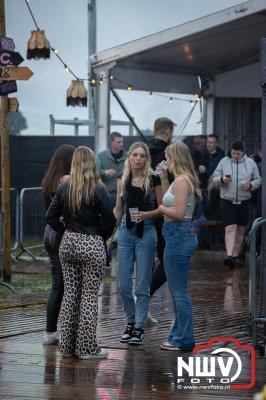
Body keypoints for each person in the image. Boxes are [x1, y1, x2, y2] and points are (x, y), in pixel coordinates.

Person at [46, 146, 116, 359]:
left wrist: (65, 231)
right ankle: (86, 348)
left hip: (68, 244)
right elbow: (110, 221)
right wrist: (100, 236)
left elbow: (50, 217)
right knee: (88, 296)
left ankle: (66, 348)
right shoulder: (99, 188)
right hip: (92, 244)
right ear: (92, 163)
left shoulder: (64, 187)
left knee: (70, 294)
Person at [114, 142, 161, 345]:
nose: (138, 159)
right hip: (126, 230)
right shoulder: (123, 179)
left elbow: (162, 208)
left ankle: (139, 326)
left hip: (147, 230)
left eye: (142, 155)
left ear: (147, 158)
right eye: (135, 155)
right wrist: (114, 226)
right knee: (123, 284)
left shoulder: (154, 179)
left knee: (142, 285)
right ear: (129, 157)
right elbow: (118, 208)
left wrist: (146, 214)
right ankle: (131, 322)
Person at [158, 142, 201, 351]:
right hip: (175, 235)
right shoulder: (179, 180)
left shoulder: (183, 181)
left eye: (167, 157)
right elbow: (170, 200)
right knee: (176, 291)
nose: (166, 161)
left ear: (174, 157)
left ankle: (184, 339)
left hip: (179, 234)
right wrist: (164, 178)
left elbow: (179, 213)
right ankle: (177, 335)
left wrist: (160, 208)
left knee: (179, 292)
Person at [42, 144, 75, 345]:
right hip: (60, 235)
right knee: (61, 285)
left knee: (59, 284)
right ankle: (51, 331)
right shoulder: (66, 182)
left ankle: (52, 330)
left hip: (49, 236)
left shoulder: (49, 180)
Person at [212, 140, 261, 269]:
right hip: (227, 200)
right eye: (233, 153)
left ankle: (234, 256)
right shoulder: (223, 162)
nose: (236, 156)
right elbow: (214, 179)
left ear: (243, 152)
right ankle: (229, 255)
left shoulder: (251, 163)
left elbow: (258, 180)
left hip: (244, 201)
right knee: (230, 228)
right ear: (231, 151)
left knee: (240, 229)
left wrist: (250, 185)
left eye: (238, 153)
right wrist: (222, 180)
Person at [148, 117, 175, 320]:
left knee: (151, 261)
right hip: (163, 214)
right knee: (167, 262)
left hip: (145, 214)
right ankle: (144, 296)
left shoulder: (144, 153)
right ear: (167, 131)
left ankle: (142, 305)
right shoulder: (167, 155)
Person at [96, 132, 127, 207]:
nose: (121, 144)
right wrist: (106, 172)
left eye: (122, 141)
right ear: (111, 142)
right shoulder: (101, 156)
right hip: (108, 195)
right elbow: (96, 172)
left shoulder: (128, 156)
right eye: (118, 142)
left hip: (124, 195)